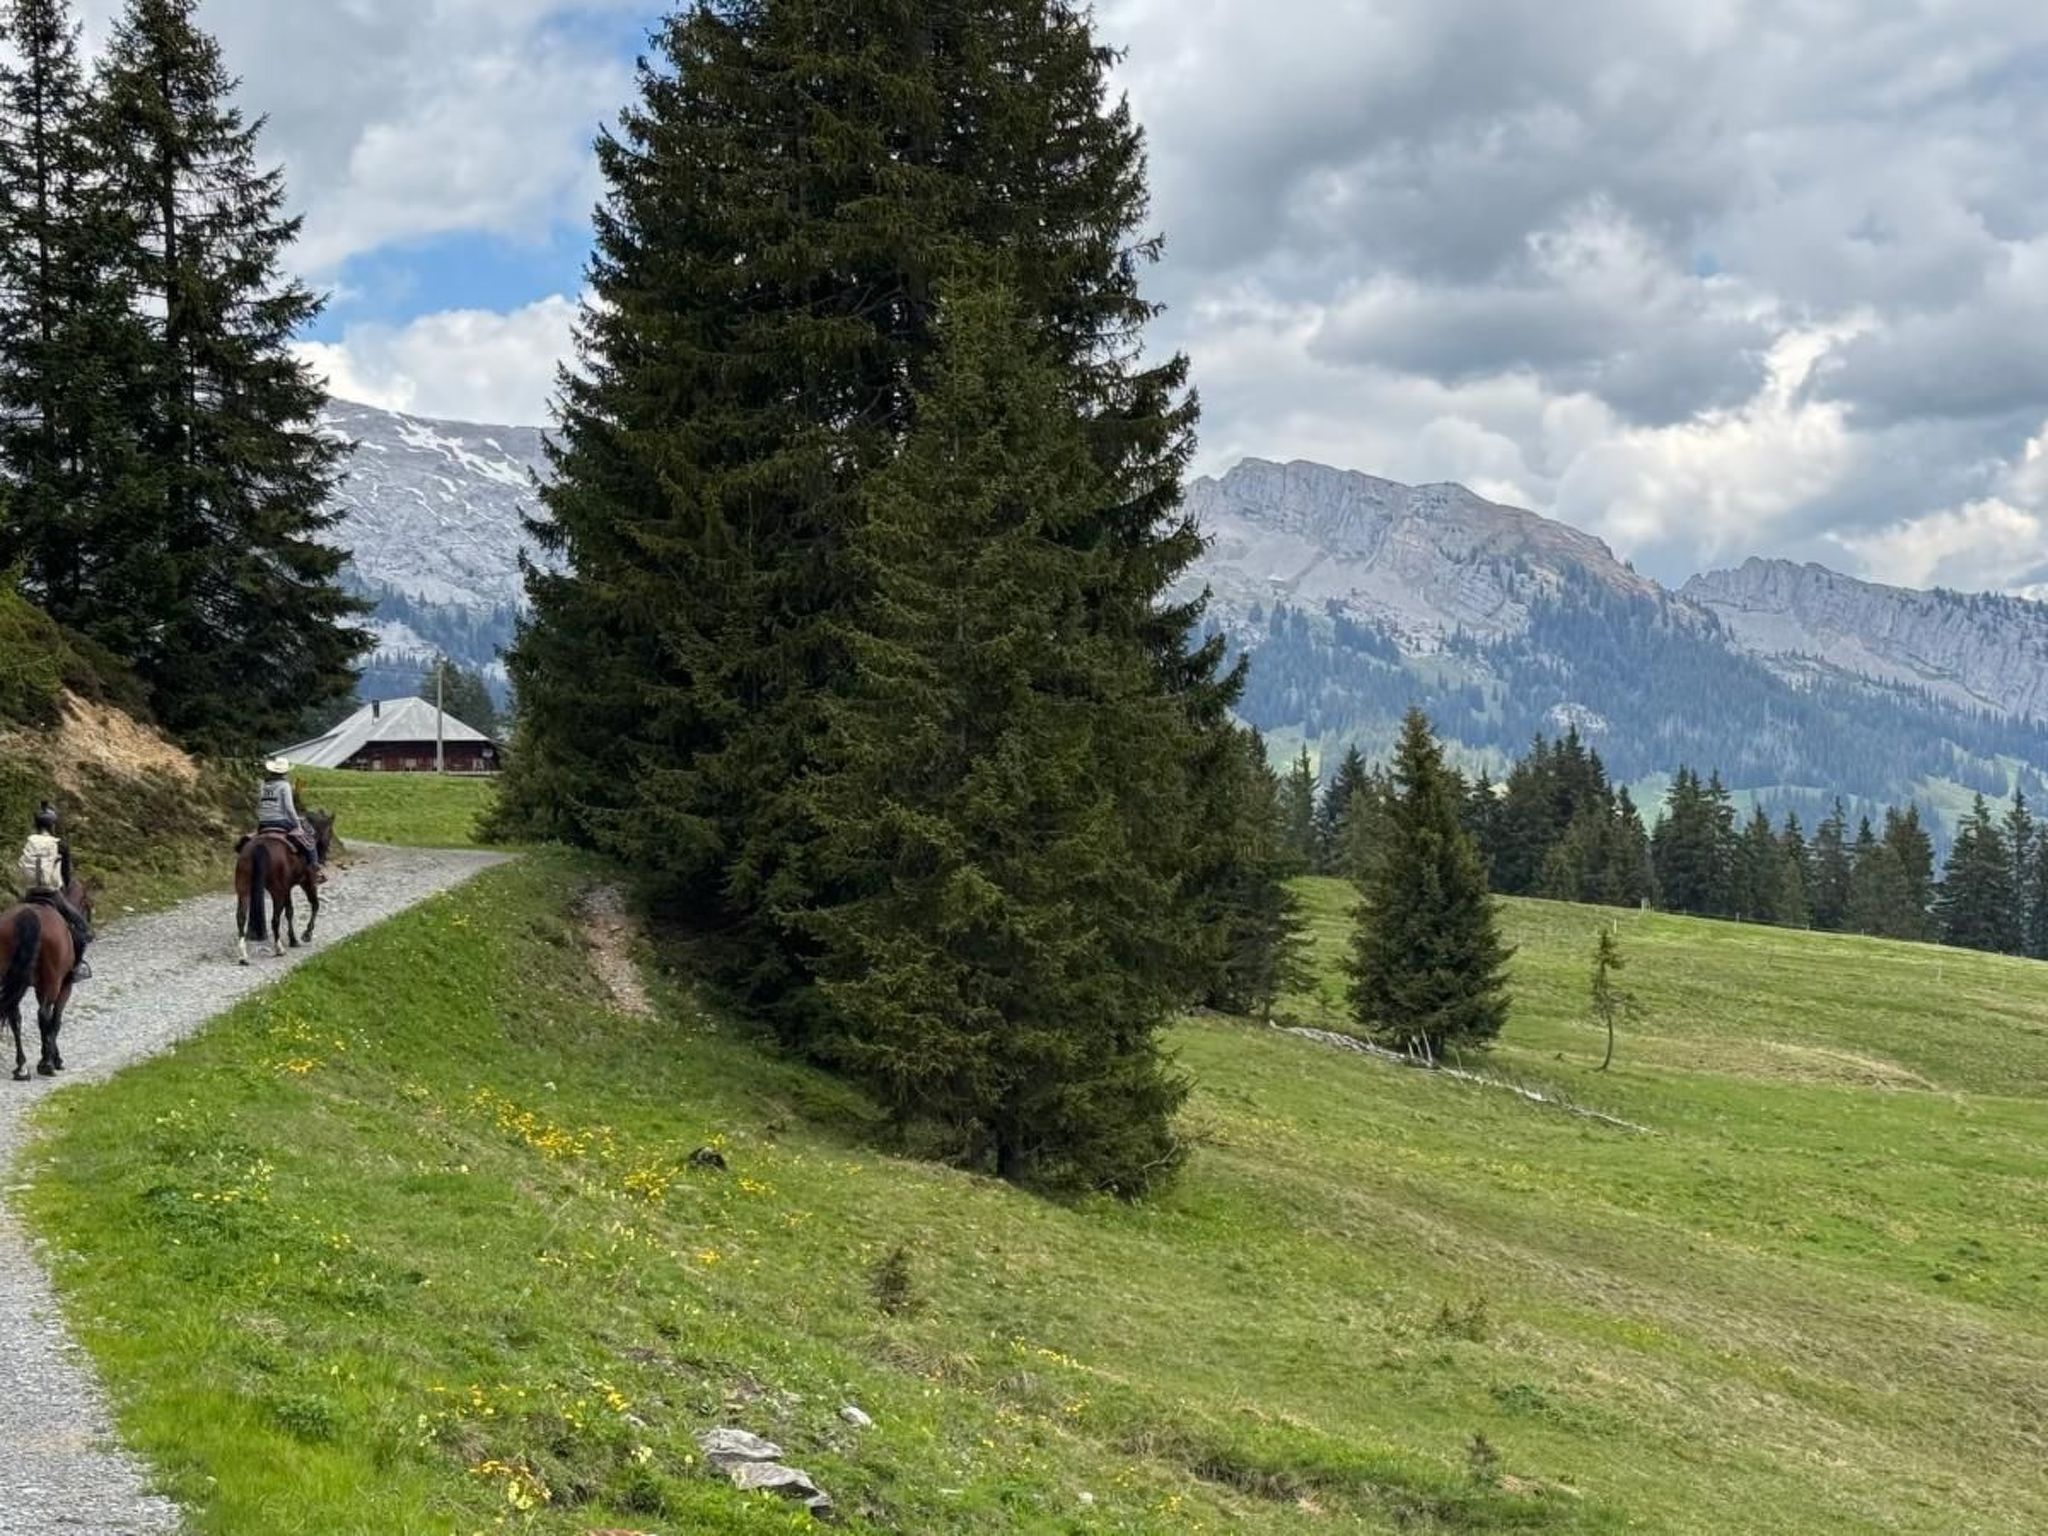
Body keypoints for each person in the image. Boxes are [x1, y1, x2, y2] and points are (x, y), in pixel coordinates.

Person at [16, 804, 92, 981]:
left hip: (30, 893)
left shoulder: (29, 843)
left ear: (36, 825)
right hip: (51, 894)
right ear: (52, 825)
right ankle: (76, 967)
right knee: (82, 928)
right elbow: (66, 877)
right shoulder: (60, 845)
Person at [256, 757, 324, 881]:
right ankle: (315, 869)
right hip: (280, 821)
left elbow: (260, 803)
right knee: (309, 840)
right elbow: (289, 807)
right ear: (285, 772)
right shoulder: (284, 785)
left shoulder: (264, 785)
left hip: (263, 822)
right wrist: (297, 823)